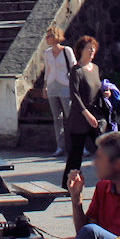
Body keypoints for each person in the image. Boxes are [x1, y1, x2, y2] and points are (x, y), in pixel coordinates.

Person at [63, 36, 104, 182]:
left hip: (95, 116)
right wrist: (86, 114)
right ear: (81, 50)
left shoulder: (96, 68)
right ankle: (67, 184)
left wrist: (105, 93)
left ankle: (109, 180)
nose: (92, 51)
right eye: (88, 48)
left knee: (104, 149)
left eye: (93, 48)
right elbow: (75, 95)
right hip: (80, 117)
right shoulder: (76, 70)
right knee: (76, 154)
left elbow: (96, 89)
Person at [42, 27, 78, 158]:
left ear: (55, 37)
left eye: (49, 36)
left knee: (71, 116)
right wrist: (45, 86)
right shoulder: (47, 53)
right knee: (57, 118)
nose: (47, 39)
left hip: (65, 85)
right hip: (52, 85)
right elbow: (47, 70)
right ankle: (60, 146)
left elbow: (74, 67)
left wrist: (75, 85)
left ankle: (78, 145)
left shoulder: (66, 50)